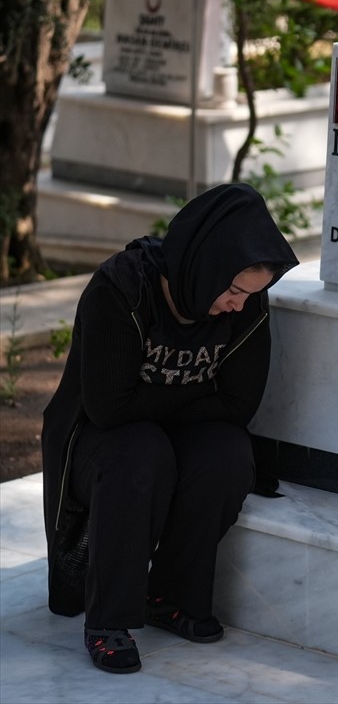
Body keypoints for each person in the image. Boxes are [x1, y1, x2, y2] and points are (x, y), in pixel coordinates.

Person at [40, 183, 299, 674]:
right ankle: (108, 620)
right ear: (206, 266)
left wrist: (152, 403)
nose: (238, 305)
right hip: (96, 442)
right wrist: (199, 395)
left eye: (250, 295)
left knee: (225, 456)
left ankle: (169, 597)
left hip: (166, 429)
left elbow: (239, 404)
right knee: (140, 453)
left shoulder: (246, 307)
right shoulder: (121, 289)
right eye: (233, 290)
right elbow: (107, 409)